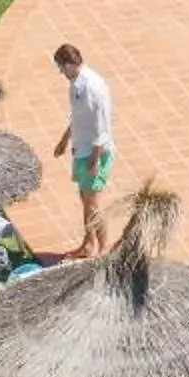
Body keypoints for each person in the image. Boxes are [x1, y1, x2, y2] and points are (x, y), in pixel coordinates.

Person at [50, 43, 115, 255]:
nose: (61, 73)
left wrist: (94, 161)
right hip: (82, 149)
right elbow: (78, 117)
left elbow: (101, 128)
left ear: (69, 64)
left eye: (61, 68)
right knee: (86, 200)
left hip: (95, 153)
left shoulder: (92, 87)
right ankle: (88, 244)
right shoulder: (76, 84)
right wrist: (64, 140)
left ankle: (104, 248)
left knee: (93, 204)